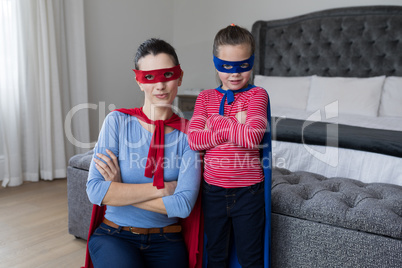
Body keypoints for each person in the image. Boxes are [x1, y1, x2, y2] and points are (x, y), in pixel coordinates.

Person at [84, 38, 202, 268]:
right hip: (114, 236)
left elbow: (183, 206)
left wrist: (119, 192)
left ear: (180, 77)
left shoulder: (190, 135)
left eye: (167, 75)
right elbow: (95, 190)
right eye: (149, 77)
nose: (160, 86)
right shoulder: (117, 122)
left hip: (167, 240)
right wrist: (165, 189)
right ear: (139, 81)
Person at [188, 24, 271, 268]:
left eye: (242, 66)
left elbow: (253, 137)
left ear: (252, 63)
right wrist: (235, 124)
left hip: (248, 193)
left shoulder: (258, 95)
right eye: (227, 67)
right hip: (212, 191)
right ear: (216, 64)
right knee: (215, 255)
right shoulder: (205, 98)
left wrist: (215, 123)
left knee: (250, 257)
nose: (235, 74)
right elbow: (194, 140)